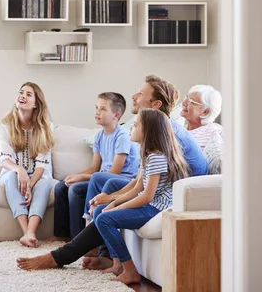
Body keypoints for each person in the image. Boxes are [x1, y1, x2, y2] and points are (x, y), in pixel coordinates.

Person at [16, 75, 207, 272]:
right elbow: (139, 181)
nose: (133, 96)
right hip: (152, 187)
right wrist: (110, 199)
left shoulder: (164, 136)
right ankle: (103, 255)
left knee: (102, 188)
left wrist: (114, 203)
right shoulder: (151, 139)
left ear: (155, 104)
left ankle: (69, 253)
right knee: (103, 190)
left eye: (141, 93)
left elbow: (152, 189)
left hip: (168, 196)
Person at [93, 108, 190, 285]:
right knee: (100, 211)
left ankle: (130, 271)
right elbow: (138, 187)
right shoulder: (147, 154)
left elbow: (146, 196)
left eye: (135, 125)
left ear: (148, 131)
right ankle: (117, 264)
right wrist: (113, 202)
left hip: (154, 208)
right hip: (148, 204)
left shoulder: (157, 158)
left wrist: (115, 207)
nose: (131, 128)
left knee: (104, 219)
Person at [49, 92, 139, 242]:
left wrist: (81, 178)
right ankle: (62, 234)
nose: (97, 112)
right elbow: (94, 167)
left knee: (76, 189)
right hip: (101, 177)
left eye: (103, 109)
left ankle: (79, 239)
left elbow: (115, 172)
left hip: (120, 180)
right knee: (62, 186)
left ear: (116, 115)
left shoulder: (122, 136)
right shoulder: (99, 136)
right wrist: (75, 176)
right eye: (97, 107)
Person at [0, 82, 55, 248]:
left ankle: (31, 232)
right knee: (10, 177)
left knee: (44, 183)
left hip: (38, 175)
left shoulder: (46, 128)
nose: (22, 96)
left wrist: (29, 185)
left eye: (29, 94)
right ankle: (26, 232)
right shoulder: (4, 126)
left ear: (36, 104)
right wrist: (19, 170)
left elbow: (41, 165)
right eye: (21, 92)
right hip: (12, 174)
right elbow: (5, 160)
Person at [180, 84, 223, 149]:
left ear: (205, 112)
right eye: (186, 98)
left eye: (191, 101)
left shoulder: (216, 132)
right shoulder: (178, 128)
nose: (184, 103)